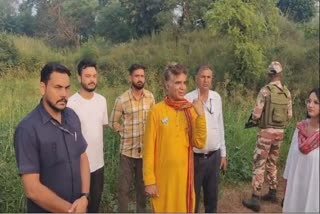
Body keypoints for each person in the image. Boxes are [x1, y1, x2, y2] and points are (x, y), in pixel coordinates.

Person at [13, 62, 90, 213]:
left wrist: (84, 196)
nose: (64, 94)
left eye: (67, 88)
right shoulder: (28, 129)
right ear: (43, 88)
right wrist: (71, 211)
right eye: (58, 87)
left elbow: (82, 157)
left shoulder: (72, 117)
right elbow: (32, 189)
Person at [143, 63, 207, 212]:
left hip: (184, 180)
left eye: (184, 82)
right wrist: (149, 181)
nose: (182, 87)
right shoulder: (156, 111)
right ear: (167, 85)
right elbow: (148, 150)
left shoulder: (190, 110)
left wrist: (200, 115)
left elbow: (199, 142)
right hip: (162, 181)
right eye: (177, 82)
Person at [242, 61, 292, 212]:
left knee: (260, 162)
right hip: (279, 133)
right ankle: (272, 191)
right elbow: (289, 115)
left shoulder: (265, 90)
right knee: (272, 162)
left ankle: (255, 197)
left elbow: (257, 114)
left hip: (265, 134)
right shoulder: (286, 92)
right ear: (280, 74)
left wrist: (253, 121)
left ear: (270, 74)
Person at [110, 64, 155, 213]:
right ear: (130, 78)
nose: (140, 79)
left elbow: (154, 122)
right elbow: (113, 122)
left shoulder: (150, 97)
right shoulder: (122, 99)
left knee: (142, 190)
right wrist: (122, 132)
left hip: (145, 153)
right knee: (123, 190)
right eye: (137, 76)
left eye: (142, 76)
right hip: (127, 153)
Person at [67, 59, 108, 213]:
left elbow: (101, 128)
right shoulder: (71, 104)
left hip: (98, 165)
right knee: (77, 207)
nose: (92, 80)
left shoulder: (102, 101)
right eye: (87, 76)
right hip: (77, 167)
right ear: (79, 78)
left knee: (94, 205)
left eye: (94, 76)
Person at [185, 64, 227, 213]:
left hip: (214, 156)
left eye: (209, 77)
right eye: (203, 76)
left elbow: (220, 125)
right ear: (196, 78)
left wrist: (223, 154)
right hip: (194, 157)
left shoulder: (216, 98)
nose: (206, 80)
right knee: (193, 197)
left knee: (212, 196)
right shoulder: (188, 99)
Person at [282, 87, 319, 213]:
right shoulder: (300, 128)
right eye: (309, 101)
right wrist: (285, 184)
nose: (310, 105)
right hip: (295, 190)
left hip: (314, 194)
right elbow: (290, 160)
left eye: (316, 102)